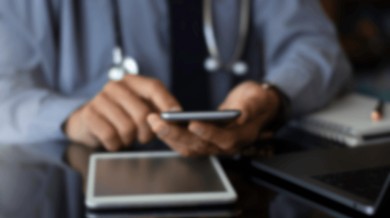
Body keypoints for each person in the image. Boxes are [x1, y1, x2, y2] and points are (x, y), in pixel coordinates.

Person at [0, 0, 351, 156]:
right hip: (95, 196)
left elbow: (316, 46)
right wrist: (71, 118)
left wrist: (274, 95)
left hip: (241, 183)